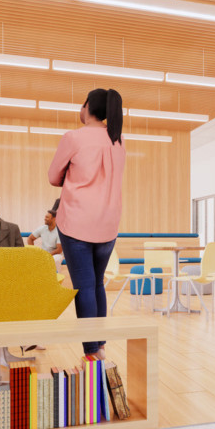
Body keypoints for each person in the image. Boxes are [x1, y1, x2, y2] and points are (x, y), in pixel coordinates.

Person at [50, 88, 126, 359]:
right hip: (108, 224)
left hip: (77, 222)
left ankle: (91, 350)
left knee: (83, 284)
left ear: (86, 107)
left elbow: (53, 176)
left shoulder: (73, 137)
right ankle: (100, 344)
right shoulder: (118, 140)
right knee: (96, 284)